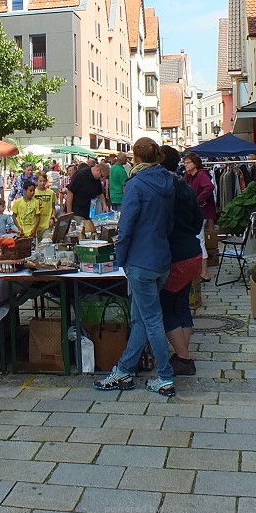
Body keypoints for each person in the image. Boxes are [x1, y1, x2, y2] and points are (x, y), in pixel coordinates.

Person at [94, 137, 177, 397]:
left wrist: (120, 256)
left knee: (151, 319)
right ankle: (125, 369)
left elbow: (126, 226)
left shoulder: (137, 183)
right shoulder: (168, 181)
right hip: (161, 257)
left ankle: (164, 377)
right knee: (141, 318)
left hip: (141, 260)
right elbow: (169, 223)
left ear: (136, 158)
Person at [158, 145, 204, 376]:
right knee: (181, 304)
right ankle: (183, 355)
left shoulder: (164, 188)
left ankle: (184, 358)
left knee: (165, 306)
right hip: (192, 252)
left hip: (176, 255)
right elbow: (198, 221)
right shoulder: (184, 184)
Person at [182, 153, 218, 281]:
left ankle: (204, 272)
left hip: (200, 213)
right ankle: (201, 271)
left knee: (199, 239)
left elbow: (209, 187)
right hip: (195, 213)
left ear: (195, 163)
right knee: (198, 239)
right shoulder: (189, 176)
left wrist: (197, 201)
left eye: (188, 163)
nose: (185, 165)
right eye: (184, 163)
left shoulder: (201, 174)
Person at [32, 172, 55, 240]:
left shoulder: (51, 193)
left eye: (44, 181)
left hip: (47, 223)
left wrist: (52, 218)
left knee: (46, 243)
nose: (42, 183)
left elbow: (53, 208)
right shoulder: (33, 193)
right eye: (40, 181)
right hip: (36, 224)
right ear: (37, 181)